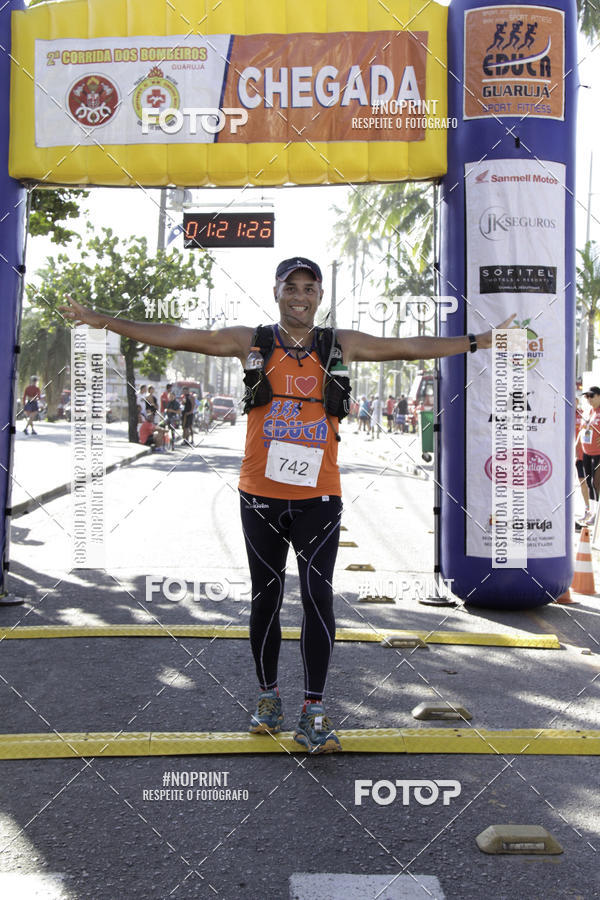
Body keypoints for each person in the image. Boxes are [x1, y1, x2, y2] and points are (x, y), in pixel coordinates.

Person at [61, 258, 511, 754]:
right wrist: (104, 319)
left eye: (310, 288)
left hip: (320, 495)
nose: (300, 296)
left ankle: (313, 710)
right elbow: (177, 334)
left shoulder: (340, 344)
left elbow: (406, 346)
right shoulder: (250, 341)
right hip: (260, 493)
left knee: (318, 597)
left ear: (320, 295)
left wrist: (478, 341)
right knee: (265, 597)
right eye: (291, 287)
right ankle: (268, 696)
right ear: (276, 291)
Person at [578, 386, 600, 526]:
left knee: (595, 483)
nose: (589, 399)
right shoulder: (587, 412)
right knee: (588, 483)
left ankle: (597, 514)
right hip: (586, 453)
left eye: (591, 396)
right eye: (587, 397)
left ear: (599, 396)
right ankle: (592, 512)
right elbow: (581, 431)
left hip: (598, 453)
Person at [575, 393, 590, 525]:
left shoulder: (583, 415)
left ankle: (591, 511)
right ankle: (587, 509)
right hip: (577, 457)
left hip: (588, 455)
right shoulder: (562, 414)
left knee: (591, 484)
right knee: (582, 483)